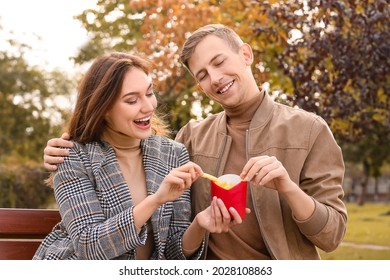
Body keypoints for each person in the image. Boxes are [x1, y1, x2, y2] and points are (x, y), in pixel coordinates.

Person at [42, 24, 347, 260]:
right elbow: (125, 147)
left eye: (219, 62)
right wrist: (64, 149)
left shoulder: (309, 130)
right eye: (202, 74)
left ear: (246, 54)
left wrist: (287, 187)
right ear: (200, 86)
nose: (215, 78)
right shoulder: (190, 138)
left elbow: (332, 236)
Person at [34, 52, 240, 260]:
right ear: (103, 109)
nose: (149, 107)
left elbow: (173, 254)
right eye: (132, 100)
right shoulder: (72, 157)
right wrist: (155, 200)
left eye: (149, 93)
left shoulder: (173, 154)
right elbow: (89, 246)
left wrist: (199, 225)